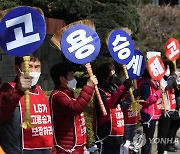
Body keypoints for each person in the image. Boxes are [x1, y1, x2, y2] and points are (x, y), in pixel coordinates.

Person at [0, 53, 53, 154]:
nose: (33, 71)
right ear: (17, 69)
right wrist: (18, 90)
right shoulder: (8, 89)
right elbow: (3, 112)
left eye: (37, 67)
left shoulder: (40, 91)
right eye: (29, 67)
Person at [49, 62, 97, 154]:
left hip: (76, 148)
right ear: (63, 79)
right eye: (72, 76)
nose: (74, 79)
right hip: (65, 149)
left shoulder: (69, 94)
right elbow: (76, 108)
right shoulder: (58, 96)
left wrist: (83, 145)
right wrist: (89, 87)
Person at [93, 62, 133, 154]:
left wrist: (129, 96)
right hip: (107, 134)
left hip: (117, 132)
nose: (114, 73)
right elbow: (111, 103)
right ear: (105, 73)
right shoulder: (100, 90)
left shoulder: (113, 88)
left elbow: (120, 105)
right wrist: (123, 87)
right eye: (111, 70)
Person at [137, 68, 162, 154]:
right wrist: (159, 92)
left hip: (154, 113)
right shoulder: (144, 84)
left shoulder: (151, 82)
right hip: (148, 114)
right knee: (147, 140)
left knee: (149, 140)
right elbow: (147, 99)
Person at [158, 61, 178, 153]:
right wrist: (173, 77)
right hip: (165, 109)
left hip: (173, 109)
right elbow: (165, 87)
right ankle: (161, 150)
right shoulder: (161, 79)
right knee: (163, 133)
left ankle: (168, 145)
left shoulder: (171, 79)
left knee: (172, 129)